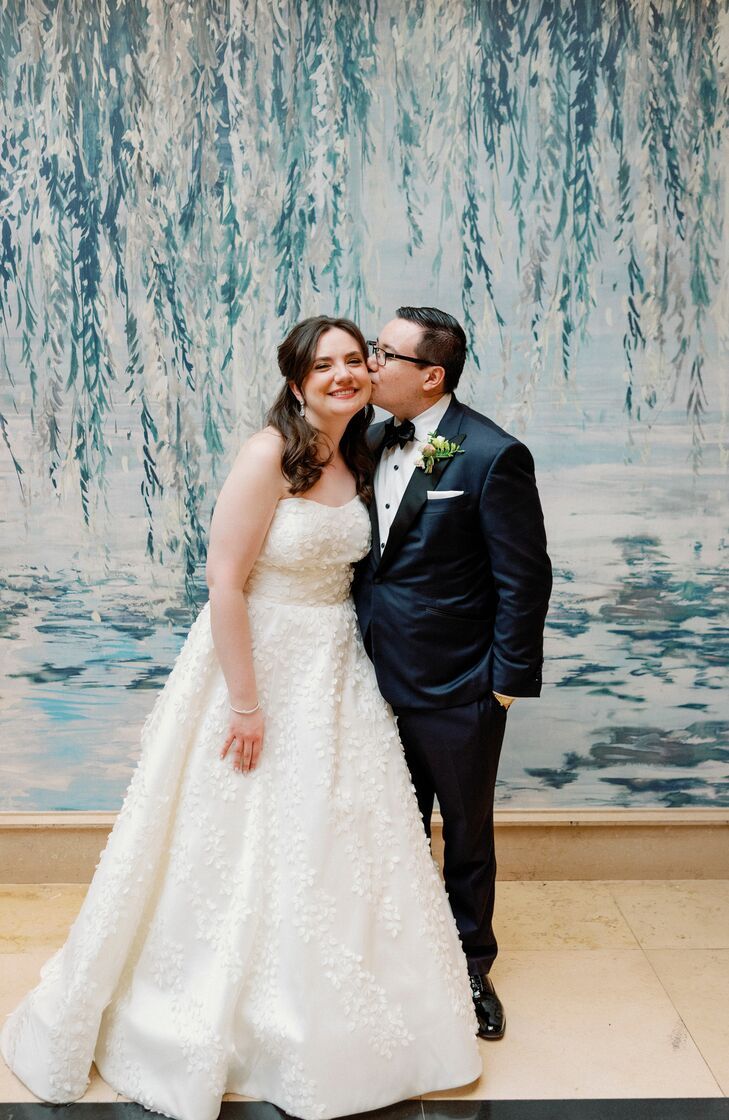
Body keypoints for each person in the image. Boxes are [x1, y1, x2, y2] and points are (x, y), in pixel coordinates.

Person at [1, 316, 481, 1120]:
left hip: (335, 668)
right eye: (321, 365)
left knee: (335, 834)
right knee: (236, 835)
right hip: (254, 661)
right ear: (296, 383)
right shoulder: (268, 455)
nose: (342, 375)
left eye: (353, 362)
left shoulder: (362, 452)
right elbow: (225, 583)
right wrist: (246, 704)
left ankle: (332, 1010)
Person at [353, 306, 552, 1040]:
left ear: (429, 374)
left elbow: (524, 578)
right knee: (388, 824)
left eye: (382, 354)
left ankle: (469, 963)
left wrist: (503, 683)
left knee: (465, 832)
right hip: (367, 679)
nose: (369, 365)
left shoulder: (491, 455)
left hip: (459, 684)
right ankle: (396, 953)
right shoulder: (369, 442)